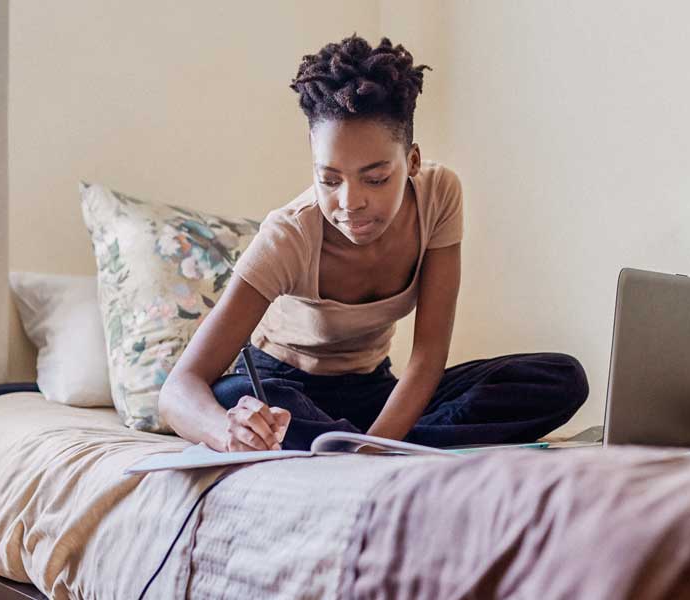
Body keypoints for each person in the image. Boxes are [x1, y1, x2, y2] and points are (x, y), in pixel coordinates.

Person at [159, 35, 587, 452]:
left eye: (376, 178)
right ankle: (386, 443)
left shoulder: (439, 195)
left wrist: (372, 448)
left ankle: (346, 447)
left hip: (374, 391)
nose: (350, 203)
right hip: (287, 388)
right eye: (328, 179)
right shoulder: (287, 236)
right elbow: (178, 391)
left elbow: (428, 355)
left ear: (412, 161)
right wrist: (226, 432)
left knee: (559, 378)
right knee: (244, 398)